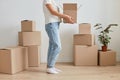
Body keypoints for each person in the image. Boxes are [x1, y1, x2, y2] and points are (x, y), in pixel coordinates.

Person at [43, 0, 74, 74]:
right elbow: (52, 12)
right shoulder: (47, 0)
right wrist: (66, 16)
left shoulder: (53, 1)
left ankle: (50, 67)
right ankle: (50, 67)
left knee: (52, 46)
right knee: (57, 46)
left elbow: (56, 14)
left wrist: (67, 19)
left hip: (55, 24)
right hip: (51, 24)